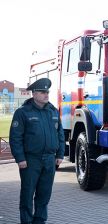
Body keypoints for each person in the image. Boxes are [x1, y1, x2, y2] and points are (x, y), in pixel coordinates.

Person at [9, 78, 65, 224]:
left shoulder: (52, 111)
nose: (46, 95)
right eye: (42, 92)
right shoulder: (22, 112)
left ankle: (40, 221)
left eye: (47, 92)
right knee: (27, 195)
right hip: (30, 161)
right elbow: (15, 137)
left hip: (49, 160)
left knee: (44, 195)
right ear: (34, 94)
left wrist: (60, 154)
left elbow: (60, 134)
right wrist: (20, 158)